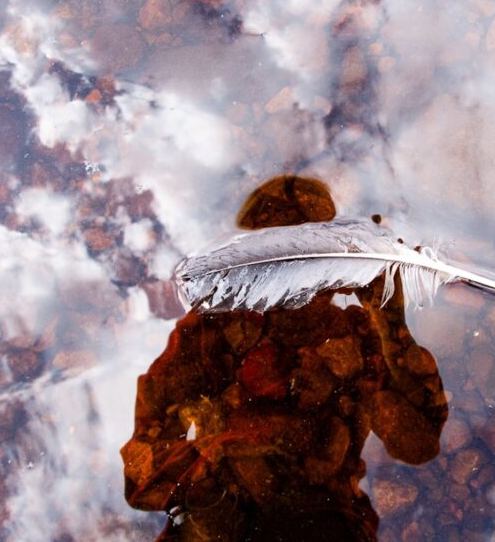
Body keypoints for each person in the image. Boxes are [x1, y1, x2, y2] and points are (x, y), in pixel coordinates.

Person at [121, 176, 448, 541]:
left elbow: (419, 445)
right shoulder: (210, 333)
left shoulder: (359, 337)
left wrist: (391, 322)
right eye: (278, 245)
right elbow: (142, 479)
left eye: (310, 246)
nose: (296, 272)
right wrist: (226, 455)